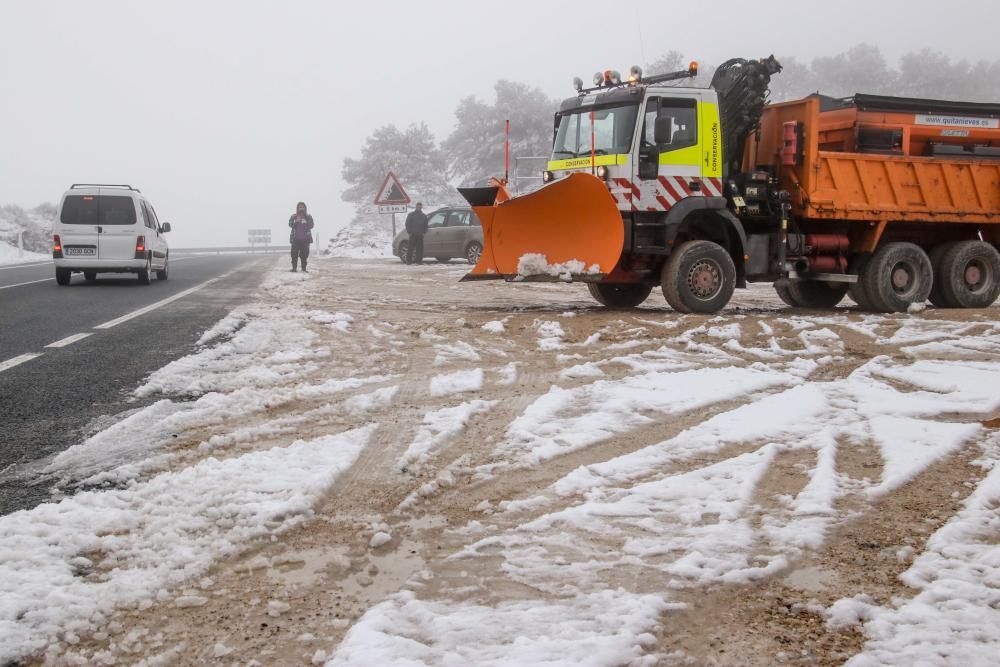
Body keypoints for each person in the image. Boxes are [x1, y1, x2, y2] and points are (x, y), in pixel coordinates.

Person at [288, 202, 314, 272]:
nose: (301, 208)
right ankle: (294, 268)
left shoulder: (308, 216)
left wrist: (306, 222)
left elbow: (312, 225)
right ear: (297, 208)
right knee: (294, 254)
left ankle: (304, 269)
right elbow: (290, 224)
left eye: (303, 207)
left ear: (305, 208)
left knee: (304, 255)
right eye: (300, 207)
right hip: (295, 239)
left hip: (305, 239)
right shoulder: (294, 216)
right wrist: (296, 221)